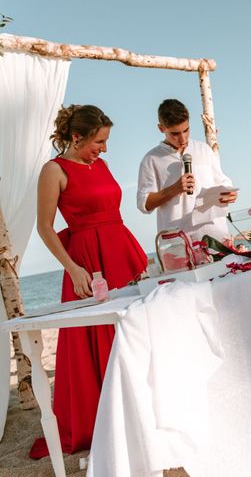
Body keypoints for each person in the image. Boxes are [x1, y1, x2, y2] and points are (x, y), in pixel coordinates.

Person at [32, 105, 148, 457]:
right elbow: (45, 227)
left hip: (119, 252)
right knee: (97, 341)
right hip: (86, 264)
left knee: (131, 334)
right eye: (100, 141)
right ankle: (104, 420)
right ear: (76, 136)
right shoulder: (53, 171)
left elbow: (112, 211)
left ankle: (136, 413)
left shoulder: (102, 165)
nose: (105, 148)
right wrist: (72, 268)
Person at [137, 99, 237, 243]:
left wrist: (230, 193)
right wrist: (174, 189)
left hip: (216, 237)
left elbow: (222, 181)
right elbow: (144, 204)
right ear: (161, 128)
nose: (182, 138)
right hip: (178, 242)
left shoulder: (204, 149)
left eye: (186, 130)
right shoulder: (151, 159)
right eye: (175, 134)